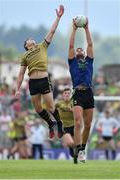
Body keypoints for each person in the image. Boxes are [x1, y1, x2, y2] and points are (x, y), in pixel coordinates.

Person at [15, 5, 64, 139]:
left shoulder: (42, 46)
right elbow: (21, 74)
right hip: (33, 82)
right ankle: (50, 123)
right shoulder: (25, 56)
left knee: (51, 108)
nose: (32, 39)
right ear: (26, 45)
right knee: (37, 109)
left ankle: (59, 124)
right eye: (29, 39)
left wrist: (58, 18)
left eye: (32, 38)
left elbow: (52, 31)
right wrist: (17, 89)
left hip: (43, 80)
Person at [68, 18, 95, 163]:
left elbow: (90, 44)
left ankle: (82, 149)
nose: (78, 50)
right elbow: (71, 45)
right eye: (77, 50)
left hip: (89, 93)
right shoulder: (72, 61)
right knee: (78, 123)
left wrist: (86, 28)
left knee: (88, 124)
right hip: (77, 92)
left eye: (81, 49)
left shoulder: (89, 60)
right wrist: (74, 29)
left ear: (84, 53)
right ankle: (78, 150)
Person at [55, 88, 75, 158]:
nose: (67, 94)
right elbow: (50, 108)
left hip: (74, 125)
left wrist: (69, 109)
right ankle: (71, 150)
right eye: (65, 93)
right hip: (64, 126)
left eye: (68, 93)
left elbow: (77, 111)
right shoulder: (59, 103)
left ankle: (74, 153)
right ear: (63, 95)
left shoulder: (73, 103)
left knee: (75, 144)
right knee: (70, 142)